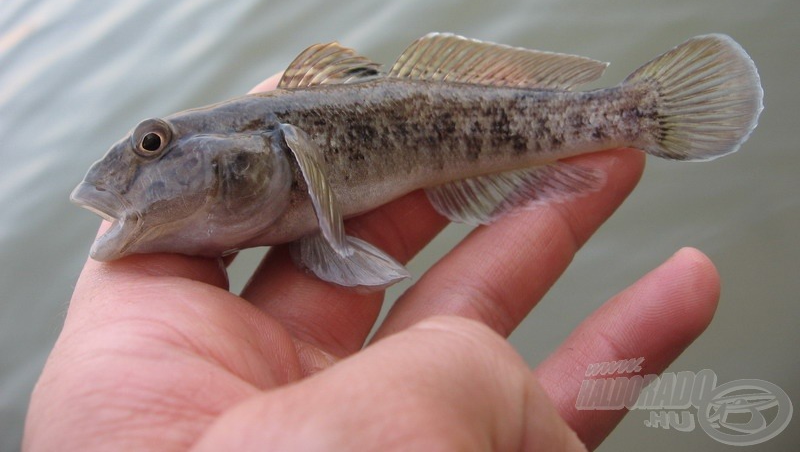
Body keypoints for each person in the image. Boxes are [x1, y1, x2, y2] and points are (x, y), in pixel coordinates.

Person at [23, 75, 720, 451]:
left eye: (152, 146)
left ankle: (637, 111)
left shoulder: (279, 135)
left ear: (250, 145)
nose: (143, 159)